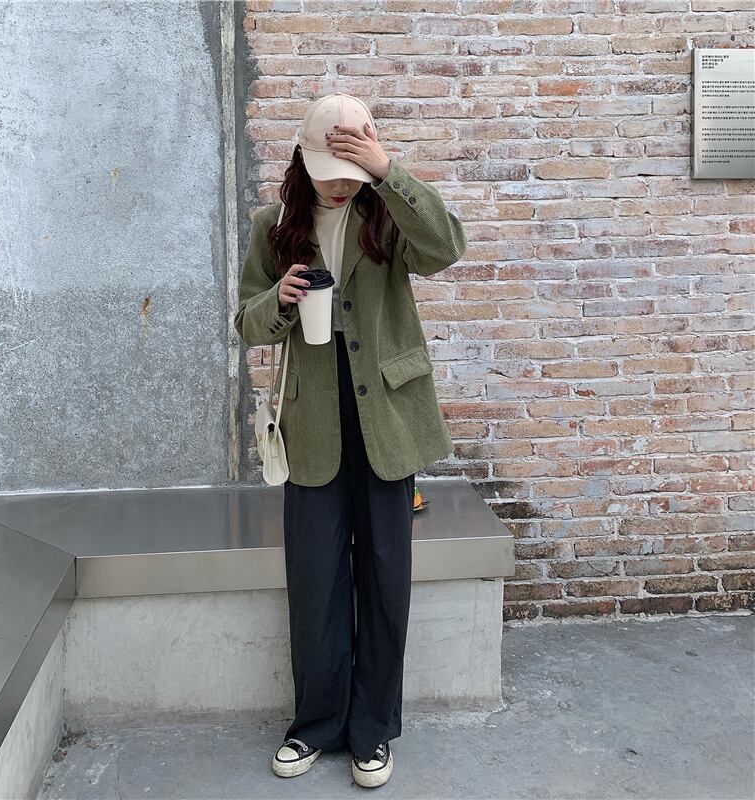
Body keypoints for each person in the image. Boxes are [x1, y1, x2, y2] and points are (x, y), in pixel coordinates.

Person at [234, 92, 467, 788]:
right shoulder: (274, 224)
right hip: (313, 417)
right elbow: (244, 321)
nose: (340, 184)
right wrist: (277, 300)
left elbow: (446, 248)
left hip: (385, 414)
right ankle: (314, 725)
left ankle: (372, 730)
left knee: (386, 579)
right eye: (329, 171)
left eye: (350, 171)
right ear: (303, 161)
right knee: (315, 580)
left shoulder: (387, 213)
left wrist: (388, 172)